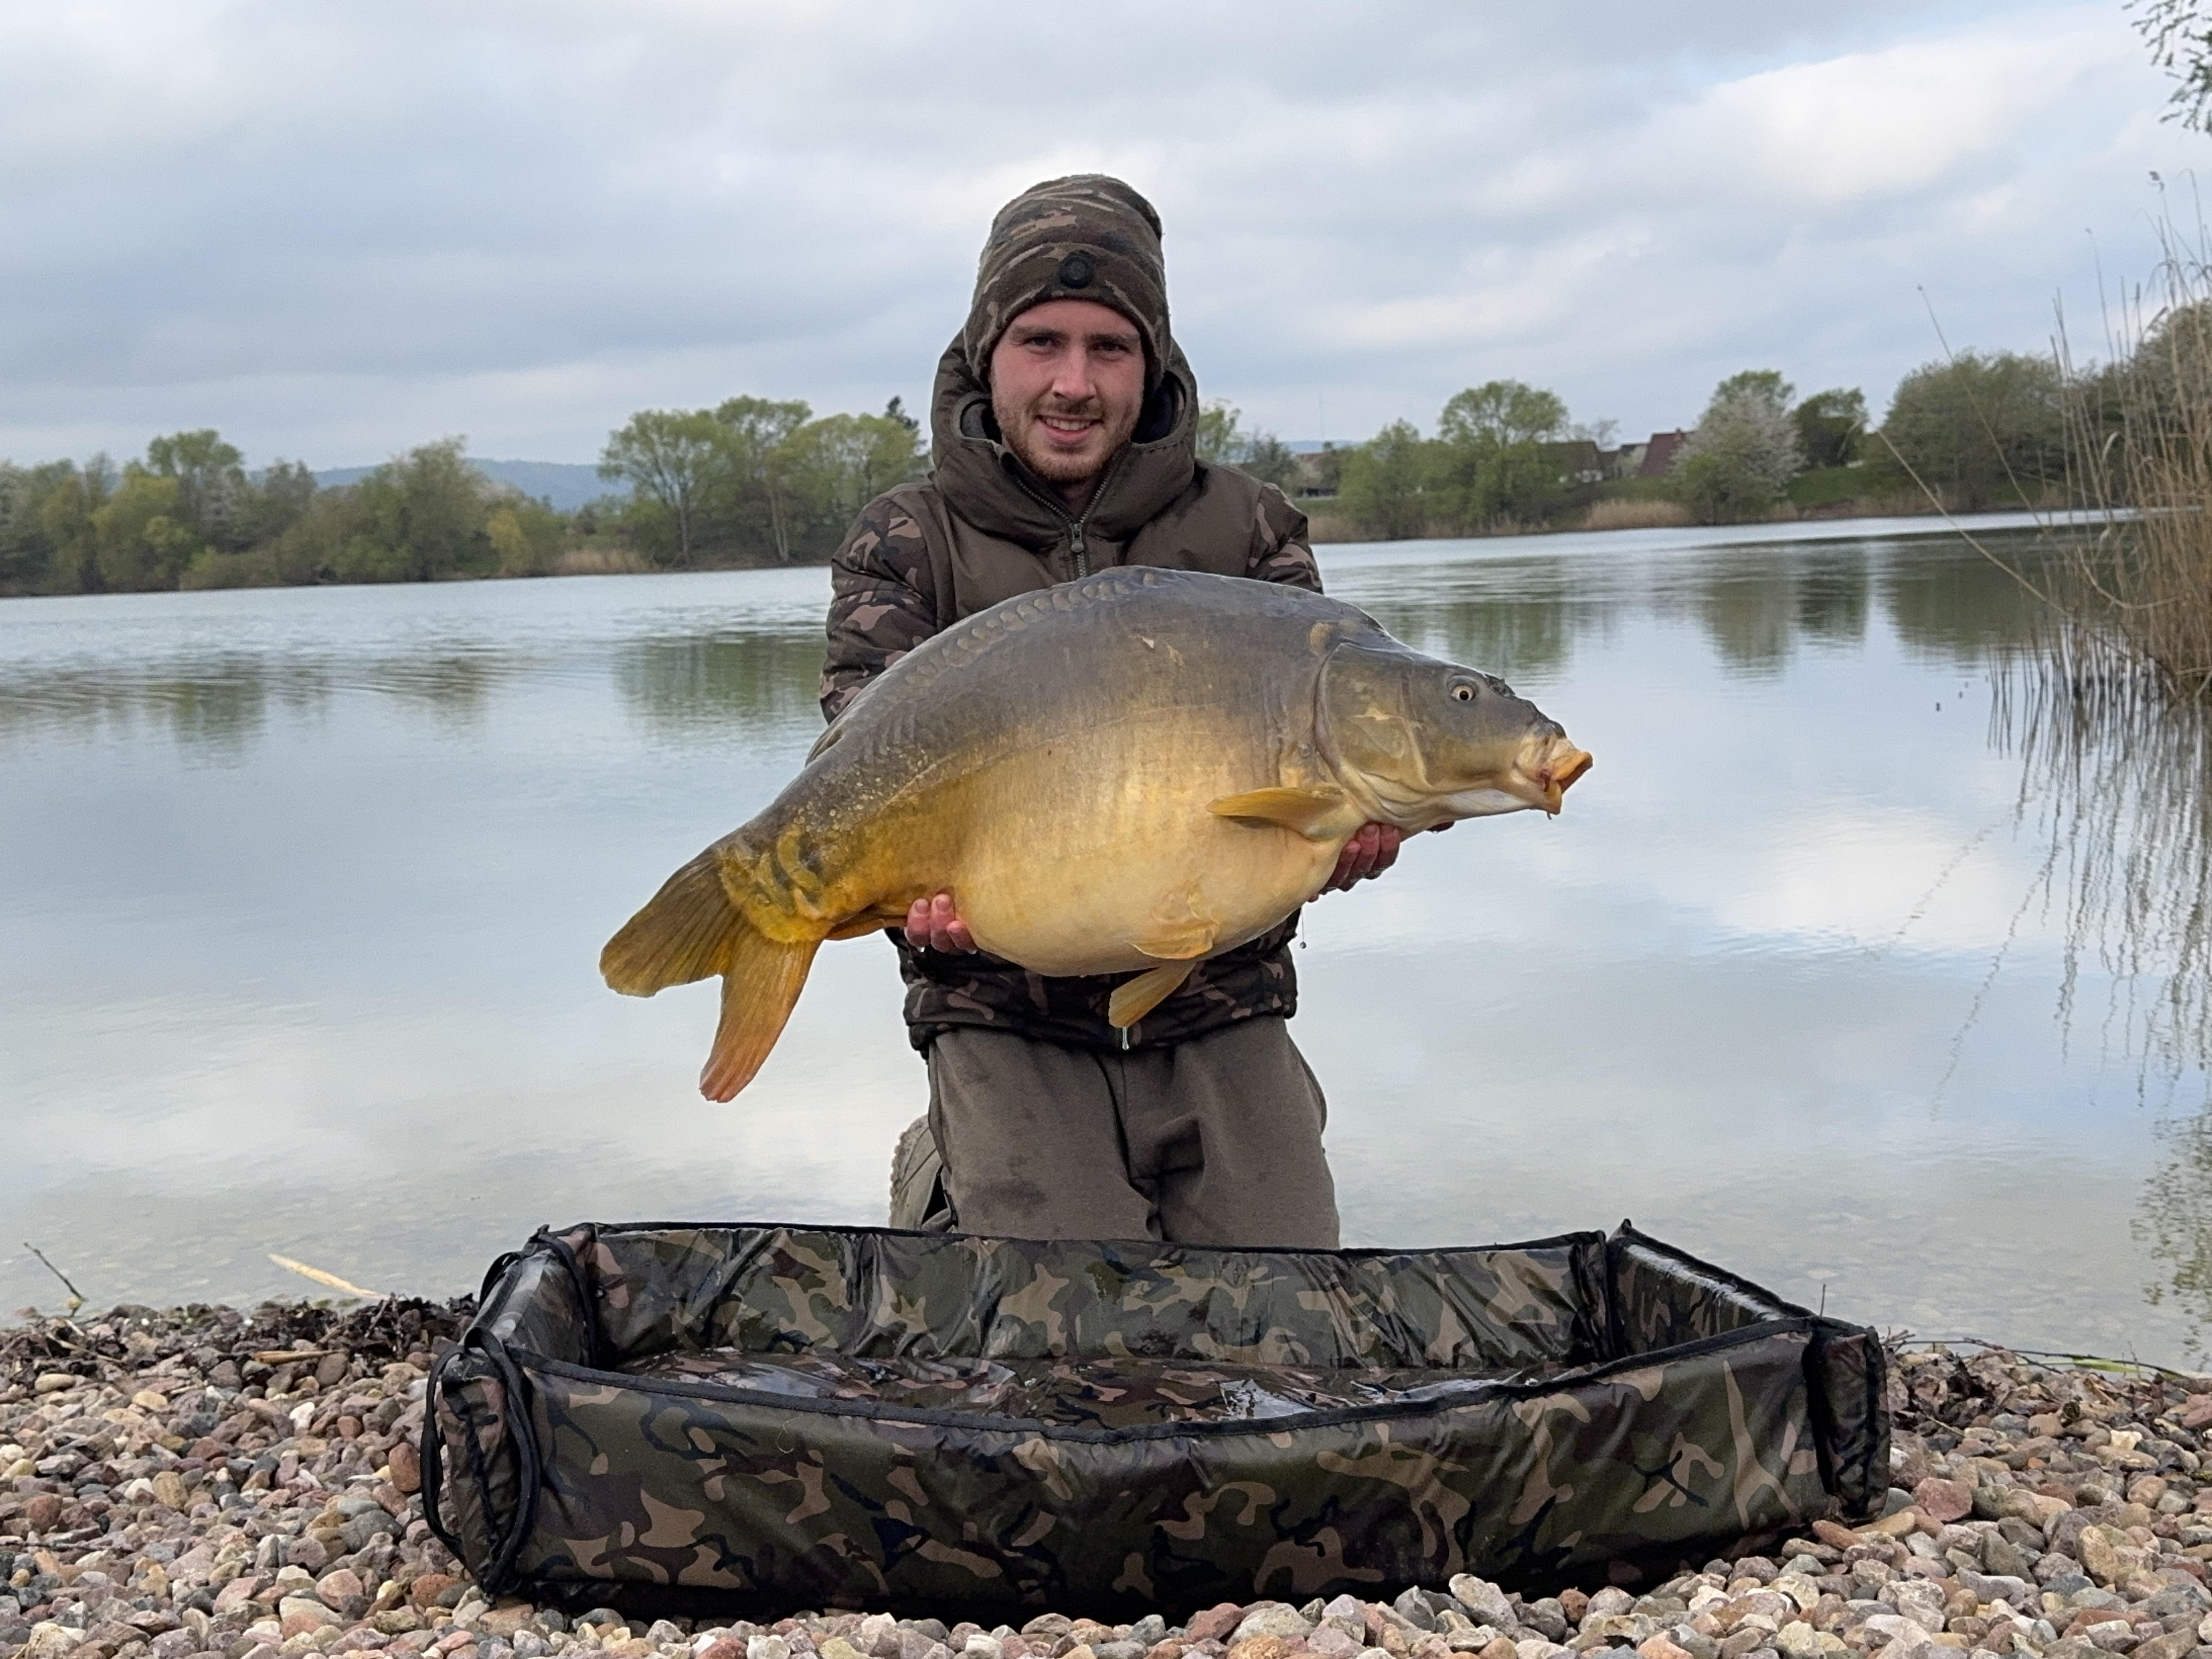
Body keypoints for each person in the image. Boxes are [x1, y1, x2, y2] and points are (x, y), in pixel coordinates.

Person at [821, 174, 1424, 1249]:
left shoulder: (1250, 530)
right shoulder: (906, 538)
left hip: (1221, 996)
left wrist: (1347, 831)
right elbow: (860, 751)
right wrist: (898, 891)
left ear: (1154, 365)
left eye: (1110, 348)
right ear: (983, 354)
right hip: (995, 1003)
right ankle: (943, 1168)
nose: (1074, 383)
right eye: (1041, 342)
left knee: (1284, 1306)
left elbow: (1326, 760)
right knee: (1063, 1316)